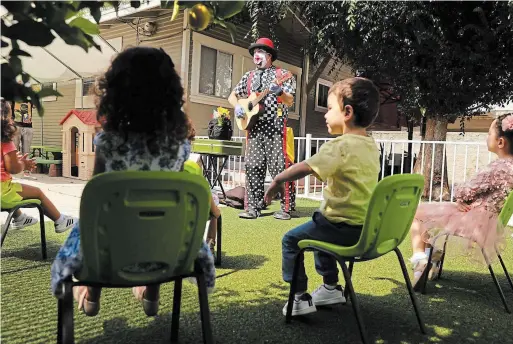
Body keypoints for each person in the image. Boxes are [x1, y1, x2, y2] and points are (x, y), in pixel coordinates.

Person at [50, 47, 216, 317]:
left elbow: (96, 201)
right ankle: (151, 294)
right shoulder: (177, 147)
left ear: (114, 91)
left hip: (109, 254)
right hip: (168, 250)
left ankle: (92, 294)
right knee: (157, 217)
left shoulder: (109, 144)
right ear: (170, 94)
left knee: (96, 223)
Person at [264, 77, 381, 316]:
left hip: (339, 227)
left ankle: (298, 297)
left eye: (329, 109)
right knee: (318, 225)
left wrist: (277, 179)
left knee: (291, 240)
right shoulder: (371, 146)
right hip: (365, 230)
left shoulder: (339, 146)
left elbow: (306, 166)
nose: (325, 115)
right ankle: (330, 287)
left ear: (347, 112)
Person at [409, 113, 513, 290]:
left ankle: (420, 259)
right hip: (490, 220)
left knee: (419, 213)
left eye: (489, 134)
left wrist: (459, 193)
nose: (487, 137)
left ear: (500, 142)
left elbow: (467, 190)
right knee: (434, 216)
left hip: (474, 219)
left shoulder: (498, 167)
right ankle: (433, 257)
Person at [228, 37, 297, 220]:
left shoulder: (283, 74)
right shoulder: (248, 77)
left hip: (275, 127)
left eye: (260, 52)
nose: (256, 56)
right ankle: (253, 207)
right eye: (254, 53)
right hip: (254, 128)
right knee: (252, 167)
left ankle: (286, 207)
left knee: (280, 168)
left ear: (269, 55)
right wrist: (238, 107)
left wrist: (280, 92)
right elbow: (232, 96)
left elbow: (290, 100)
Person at [1, 99, 77, 232]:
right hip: (2, 191)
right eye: (11, 115)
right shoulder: (5, 141)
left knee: (16, 191)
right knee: (37, 192)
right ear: (6, 119)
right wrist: (22, 164)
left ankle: (19, 218)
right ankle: (60, 221)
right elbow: (13, 169)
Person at [12, 101, 35, 178]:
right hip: (15, 126)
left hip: (28, 126)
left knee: (26, 150)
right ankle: (15, 171)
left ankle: (26, 171)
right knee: (14, 150)